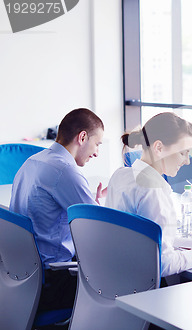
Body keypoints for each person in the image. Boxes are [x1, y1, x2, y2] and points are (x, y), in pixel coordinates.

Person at [105, 112, 192, 277]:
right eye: (183, 152)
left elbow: (150, 238)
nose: (187, 161)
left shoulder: (120, 175)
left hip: (115, 277)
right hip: (141, 287)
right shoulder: (152, 191)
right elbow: (163, 264)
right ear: (159, 148)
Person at [10, 108, 106, 313]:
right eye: (97, 144)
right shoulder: (65, 170)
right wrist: (98, 207)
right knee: (130, 282)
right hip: (52, 282)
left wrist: (93, 204)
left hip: (21, 277)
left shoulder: (32, 162)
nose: (97, 152)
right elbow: (97, 230)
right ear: (82, 137)